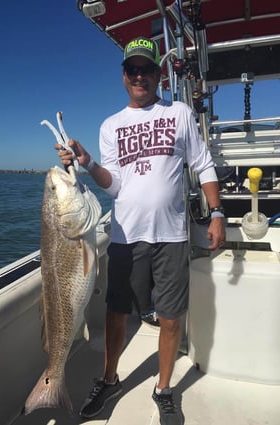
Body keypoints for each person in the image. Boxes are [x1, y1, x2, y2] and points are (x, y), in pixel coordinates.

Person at [56, 36, 225, 425]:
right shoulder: (111, 125)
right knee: (116, 313)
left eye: (146, 69)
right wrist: (87, 163)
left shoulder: (179, 112)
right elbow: (113, 185)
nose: (139, 76)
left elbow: (203, 165)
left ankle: (163, 388)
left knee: (169, 318)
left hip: (171, 236)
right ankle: (109, 378)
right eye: (132, 69)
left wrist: (217, 213)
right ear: (124, 76)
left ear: (157, 74)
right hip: (124, 236)